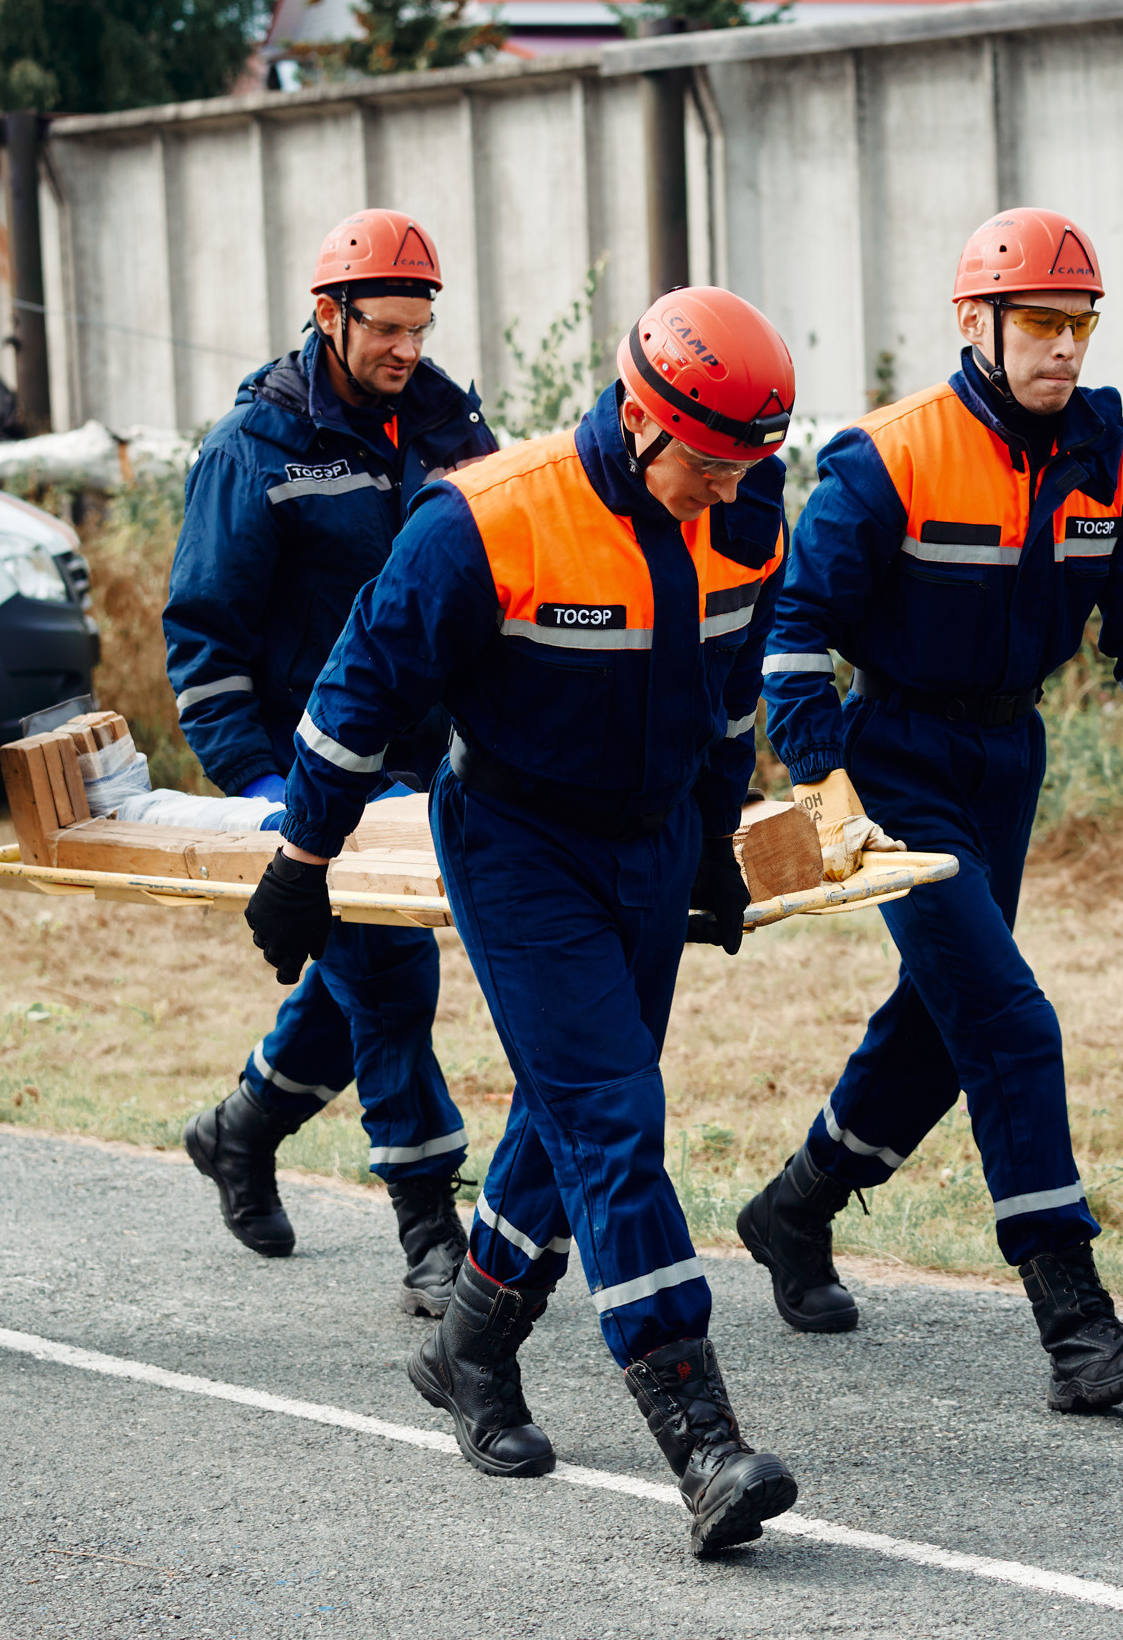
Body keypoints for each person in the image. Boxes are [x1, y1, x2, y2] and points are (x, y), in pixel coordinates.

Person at [246, 287, 800, 1555]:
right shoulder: (485, 520)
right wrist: (302, 854)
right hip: (517, 840)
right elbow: (358, 684)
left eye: (746, 469)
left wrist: (715, 830)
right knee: (613, 1113)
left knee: (572, 1115)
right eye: (709, 467)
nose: (726, 493)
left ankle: (469, 1348)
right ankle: (701, 1437)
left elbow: (727, 696)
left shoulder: (745, 514)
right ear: (643, 419)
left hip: (653, 840)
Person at [743, 208, 1123, 1412]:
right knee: (1011, 1022)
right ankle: (1076, 1325)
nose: (1064, 348)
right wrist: (824, 779)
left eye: (1080, 324)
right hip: (895, 757)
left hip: (1005, 759)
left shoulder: (1104, 459)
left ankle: (792, 1208)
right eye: (1040, 324)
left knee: (937, 1022)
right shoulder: (888, 458)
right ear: (976, 322)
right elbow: (795, 633)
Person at [163, 210, 496, 1315]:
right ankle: (429, 1232)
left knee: (356, 978)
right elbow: (203, 635)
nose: (408, 349)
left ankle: (241, 1127)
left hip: (431, 766)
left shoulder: (451, 426)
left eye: (420, 326)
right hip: (314, 775)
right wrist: (262, 788)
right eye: (386, 329)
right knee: (394, 980)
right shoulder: (252, 448)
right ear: (327, 314)